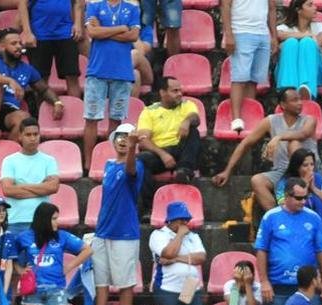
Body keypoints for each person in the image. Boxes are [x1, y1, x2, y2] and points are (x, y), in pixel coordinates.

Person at [254, 177, 322, 305]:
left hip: (308, 286)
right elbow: (261, 250)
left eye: (305, 197)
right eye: (298, 198)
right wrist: (264, 281)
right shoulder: (270, 217)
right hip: (278, 286)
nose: (303, 202)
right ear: (286, 196)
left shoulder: (314, 218)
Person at [212, 88, 318, 212]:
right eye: (295, 100)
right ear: (283, 105)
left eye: (300, 99)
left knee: (293, 143)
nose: (300, 103)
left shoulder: (310, 120)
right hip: (283, 171)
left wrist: (279, 137)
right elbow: (245, 143)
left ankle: (298, 189)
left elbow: (303, 134)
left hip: (308, 170)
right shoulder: (271, 121)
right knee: (257, 180)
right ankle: (278, 216)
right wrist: (227, 171)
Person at [87, 123, 143, 305]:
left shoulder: (136, 164)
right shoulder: (109, 166)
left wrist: (132, 148)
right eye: (119, 136)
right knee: (101, 279)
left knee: (125, 281)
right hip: (103, 230)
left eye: (127, 137)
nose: (122, 140)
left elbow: (130, 171)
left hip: (125, 231)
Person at [17, 203, 91, 305]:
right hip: (33, 291)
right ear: (43, 220)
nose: (57, 222)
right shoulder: (24, 237)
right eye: (53, 219)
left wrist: (70, 266)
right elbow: (11, 257)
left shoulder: (62, 236)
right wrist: (19, 270)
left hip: (56, 290)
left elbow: (87, 250)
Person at [82, 0, 140, 173]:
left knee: (116, 119)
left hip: (122, 71)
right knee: (91, 118)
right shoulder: (94, 5)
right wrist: (121, 28)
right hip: (97, 70)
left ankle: (110, 159)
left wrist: (104, 31)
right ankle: (88, 163)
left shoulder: (132, 8)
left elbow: (133, 36)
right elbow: (92, 32)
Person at [0, 27, 63, 143]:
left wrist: (56, 102)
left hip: (7, 111)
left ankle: (6, 151)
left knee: (24, 118)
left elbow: (44, 89)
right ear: (1, 46)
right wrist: (9, 81)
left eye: (20, 43)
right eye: (13, 43)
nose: (19, 46)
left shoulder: (27, 69)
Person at [220, 0, 277, 133]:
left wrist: (273, 36)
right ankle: (236, 118)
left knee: (254, 79)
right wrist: (229, 34)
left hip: (263, 33)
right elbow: (225, 5)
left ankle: (250, 115)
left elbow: (272, 8)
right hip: (240, 31)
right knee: (239, 77)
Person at [136, 76, 201, 188]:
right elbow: (143, 140)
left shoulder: (186, 104)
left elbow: (195, 117)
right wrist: (163, 154)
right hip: (160, 153)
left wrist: (187, 121)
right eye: (175, 91)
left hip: (182, 150)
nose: (180, 94)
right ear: (162, 93)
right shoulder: (149, 112)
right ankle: (149, 202)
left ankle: (184, 172)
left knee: (193, 131)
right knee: (139, 162)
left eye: (180, 90)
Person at [0, 117, 60, 236]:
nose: (33, 138)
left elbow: (53, 187)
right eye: (28, 135)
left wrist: (21, 186)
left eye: (35, 134)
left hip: (44, 220)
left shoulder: (49, 160)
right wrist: (41, 188)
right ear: (20, 136)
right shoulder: (9, 161)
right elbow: (7, 190)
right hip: (17, 220)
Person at [18, 0, 84, 100]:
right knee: (40, 80)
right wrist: (27, 32)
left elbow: (78, 2)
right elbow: (22, 3)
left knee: (72, 76)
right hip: (39, 35)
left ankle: (75, 112)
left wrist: (78, 24)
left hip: (66, 33)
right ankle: (40, 113)